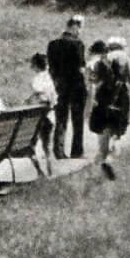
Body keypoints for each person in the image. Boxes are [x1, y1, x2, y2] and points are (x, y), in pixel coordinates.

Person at [88, 35, 130, 180]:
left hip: (102, 100)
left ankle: (103, 166)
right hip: (120, 99)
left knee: (103, 133)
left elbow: (93, 84)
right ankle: (109, 159)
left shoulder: (100, 61)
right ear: (122, 47)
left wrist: (92, 102)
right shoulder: (126, 59)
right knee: (117, 134)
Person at [46, 15, 87, 159]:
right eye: (80, 27)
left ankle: (58, 149)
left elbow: (51, 68)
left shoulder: (52, 44)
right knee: (77, 120)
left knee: (61, 119)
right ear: (74, 27)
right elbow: (81, 67)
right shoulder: (78, 45)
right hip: (76, 86)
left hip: (60, 85)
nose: (80, 31)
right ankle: (77, 150)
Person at [25, 52, 57, 175]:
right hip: (50, 116)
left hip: (40, 117)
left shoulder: (37, 79)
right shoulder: (51, 77)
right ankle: (50, 171)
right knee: (47, 146)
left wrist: (29, 100)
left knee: (31, 146)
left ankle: (40, 172)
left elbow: (38, 92)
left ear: (35, 66)